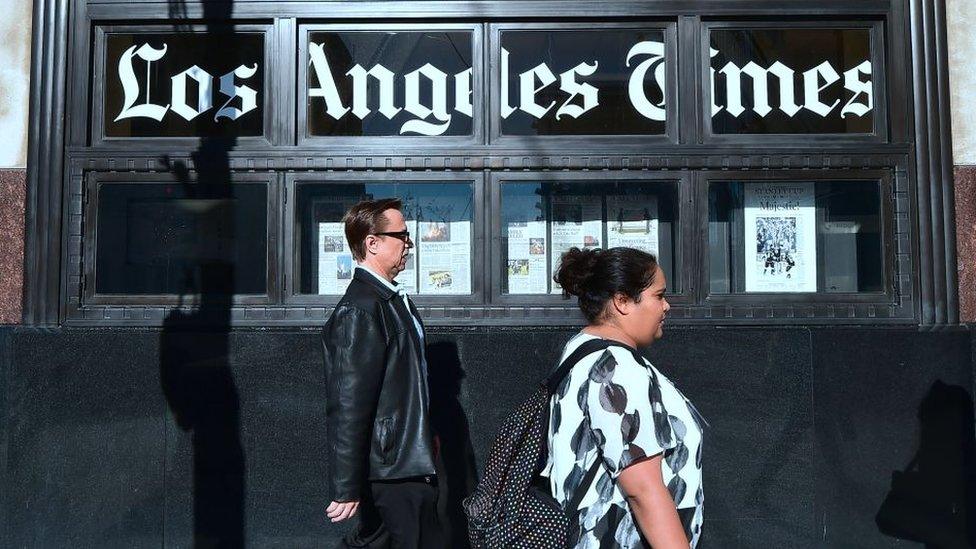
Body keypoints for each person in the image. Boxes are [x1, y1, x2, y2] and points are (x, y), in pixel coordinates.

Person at [545, 247, 706, 548]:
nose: (667, 306)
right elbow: (642, 490)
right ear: (622, 301)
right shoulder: (614, 369)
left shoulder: (582, 349)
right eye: (658, 296)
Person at [321, 198, 442, 549]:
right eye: (401, 235)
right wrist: (345, 486)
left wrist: (425, 430)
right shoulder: (360, 309)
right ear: (372, 242)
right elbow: (348, 403)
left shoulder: (391, 301)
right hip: (392, 467)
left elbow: (407, 384)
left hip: (406, 458)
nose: (409, 243)